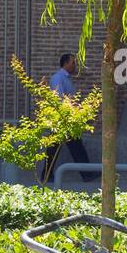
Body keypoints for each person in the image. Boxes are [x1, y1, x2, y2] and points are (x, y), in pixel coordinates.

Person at [38, 54, 98, 183]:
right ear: (65, 63)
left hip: (66, 118)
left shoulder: (65, 78)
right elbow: (58, 98)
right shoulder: (57, 78)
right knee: (66, 147)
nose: (74, 66)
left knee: (67, 147)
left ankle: (48, 175)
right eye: (72, 63)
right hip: (62, 119)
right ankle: (86, 174)